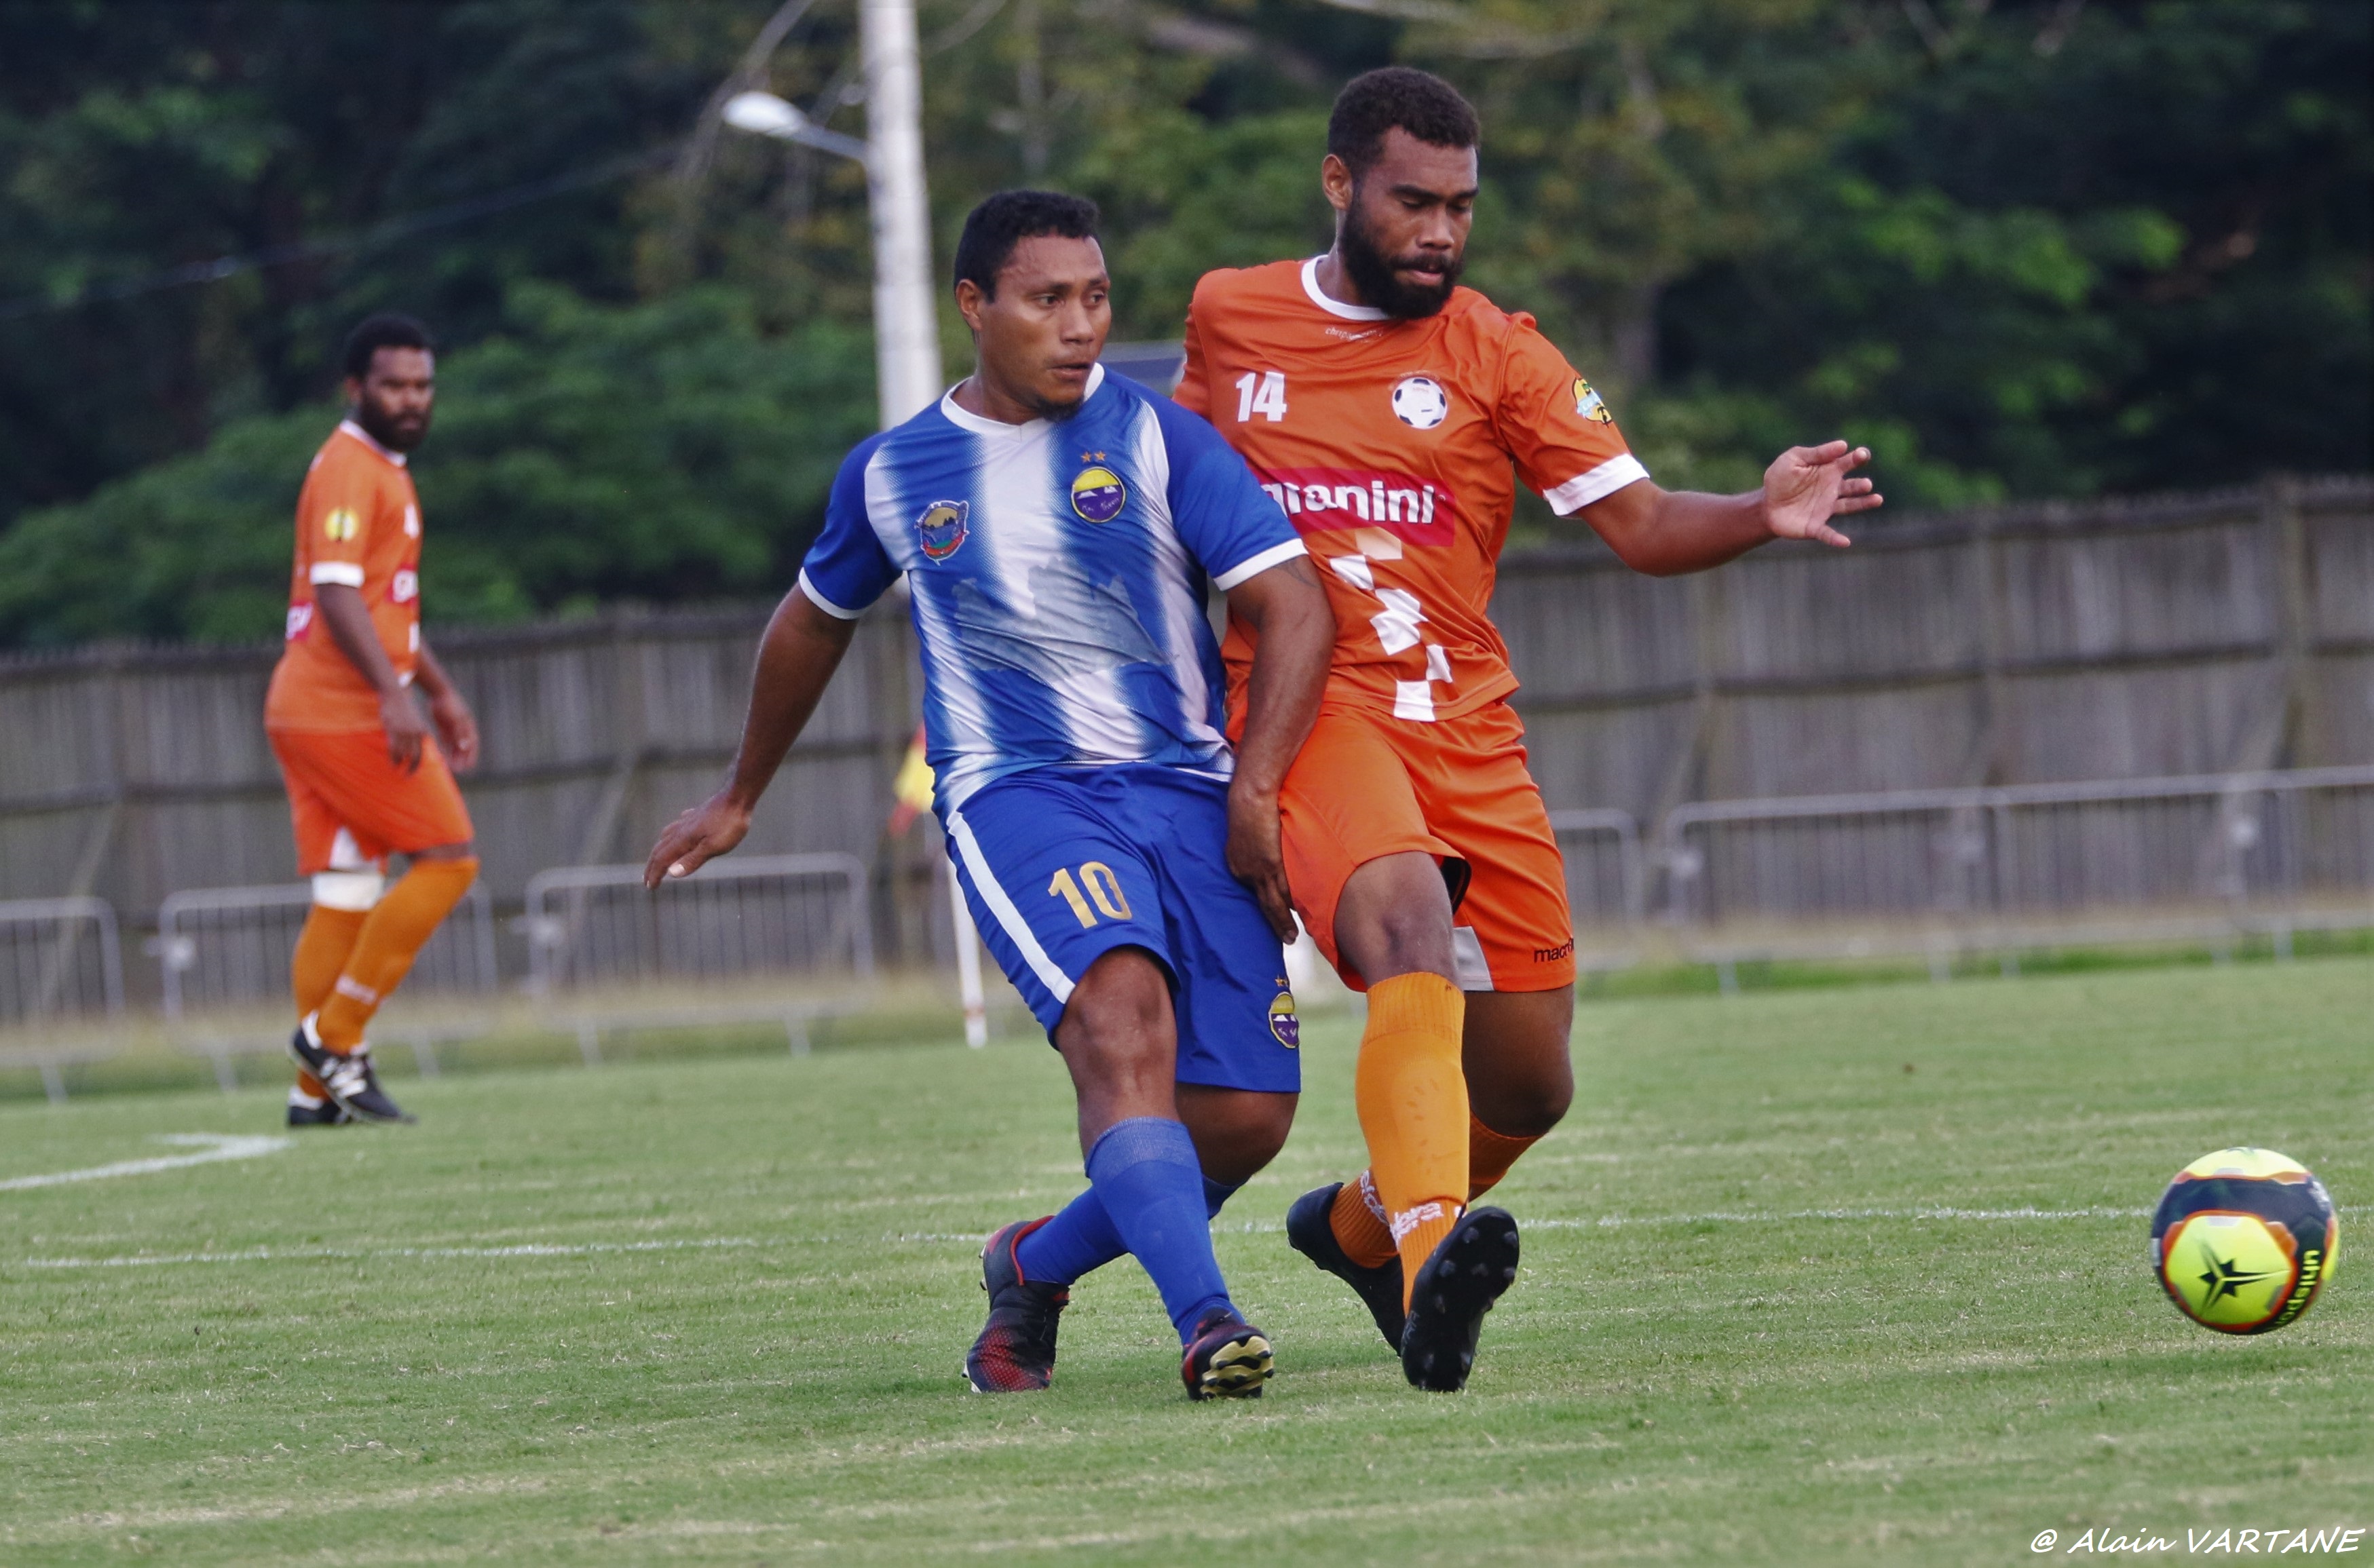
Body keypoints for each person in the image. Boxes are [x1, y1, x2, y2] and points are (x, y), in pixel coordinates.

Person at [1175, 67, 1883, 1391]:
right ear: (1340, 187)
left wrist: (1757, 507)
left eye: (1461, 207)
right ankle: (1434, 1257)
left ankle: (1355, 1226)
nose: (1441, 230)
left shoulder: (1498, 351)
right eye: (1412, 202)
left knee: (1531, 1083)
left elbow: (1643, 524)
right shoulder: (1234, 314)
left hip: (1466, 726)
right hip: (1312, 707)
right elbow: (1178, 503)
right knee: (1400, 931)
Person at [643, 191, 1335, 1401]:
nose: (1078, 326)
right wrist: (740, 793)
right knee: (1123, 1028)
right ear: (974, 307)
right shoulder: (896, 472)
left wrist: (1256, 789)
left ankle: (1031, 1265)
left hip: (1185, 792)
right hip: (1018, 797)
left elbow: (1295, 608)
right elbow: (809, 623)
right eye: (1045, 299)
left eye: (1095, 298)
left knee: (1241, 1117)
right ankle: (1208, 1321)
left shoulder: (1163, 439)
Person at [270, 313, 483, 1126]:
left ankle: (314, 1095)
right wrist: (395, 697)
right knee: (450, 858)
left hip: (315, 704)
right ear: (354, 387)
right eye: (393, 385)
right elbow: (334, 591)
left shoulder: (384, 468)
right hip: (341, 708)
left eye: (422, 385)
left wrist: (437, 686)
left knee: (348, 888)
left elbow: (386, 604)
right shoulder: (351, 468)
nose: (411, 399)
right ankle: (334, 1038)